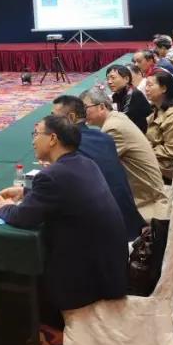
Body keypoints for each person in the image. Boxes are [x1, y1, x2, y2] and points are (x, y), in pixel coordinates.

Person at [0, 115, 128, 316]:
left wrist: (4, 207)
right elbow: (64, 193)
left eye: (36, 134)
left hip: (85, 282)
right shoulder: (86, 163)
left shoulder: (51, 176)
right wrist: (25, 192)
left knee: (15, 275)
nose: (33, 141)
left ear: (52, 139)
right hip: (111, 271)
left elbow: (22, 217)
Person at [51, 95, 145, 241]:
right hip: (130, 223)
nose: (51, 122)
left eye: (54, 118)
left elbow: (59, 192)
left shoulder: (70, 148)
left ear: (71, 118)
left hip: (110, 237)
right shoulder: (104, 138)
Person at [81, 88, 169, 221]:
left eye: (85, 108)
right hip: (149, 191)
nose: (82, 114)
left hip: (146, 202)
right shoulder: (117, 117)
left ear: (102, 107)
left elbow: (95, 168)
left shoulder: (112, 128)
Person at [105, 64, 151, 132]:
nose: (109, 82)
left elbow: (123, 119)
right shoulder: (119, 94)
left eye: (113, 78)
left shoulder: (132, 94)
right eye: (107, 79)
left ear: (126, 79)